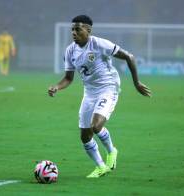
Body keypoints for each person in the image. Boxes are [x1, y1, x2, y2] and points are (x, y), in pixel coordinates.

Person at [48, 15, 151, 178]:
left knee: (96, 126)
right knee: (85, 136)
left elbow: (129, 57)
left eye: (78, 29)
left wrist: (137, 83)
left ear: (88, 30)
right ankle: (101, 167)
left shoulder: (99, 44)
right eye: (72, 29)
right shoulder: (70, 51)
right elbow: (68, 78)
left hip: (108, 88)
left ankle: (112, 151)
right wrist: (56, 87)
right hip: (89, 92)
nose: (73, 32)